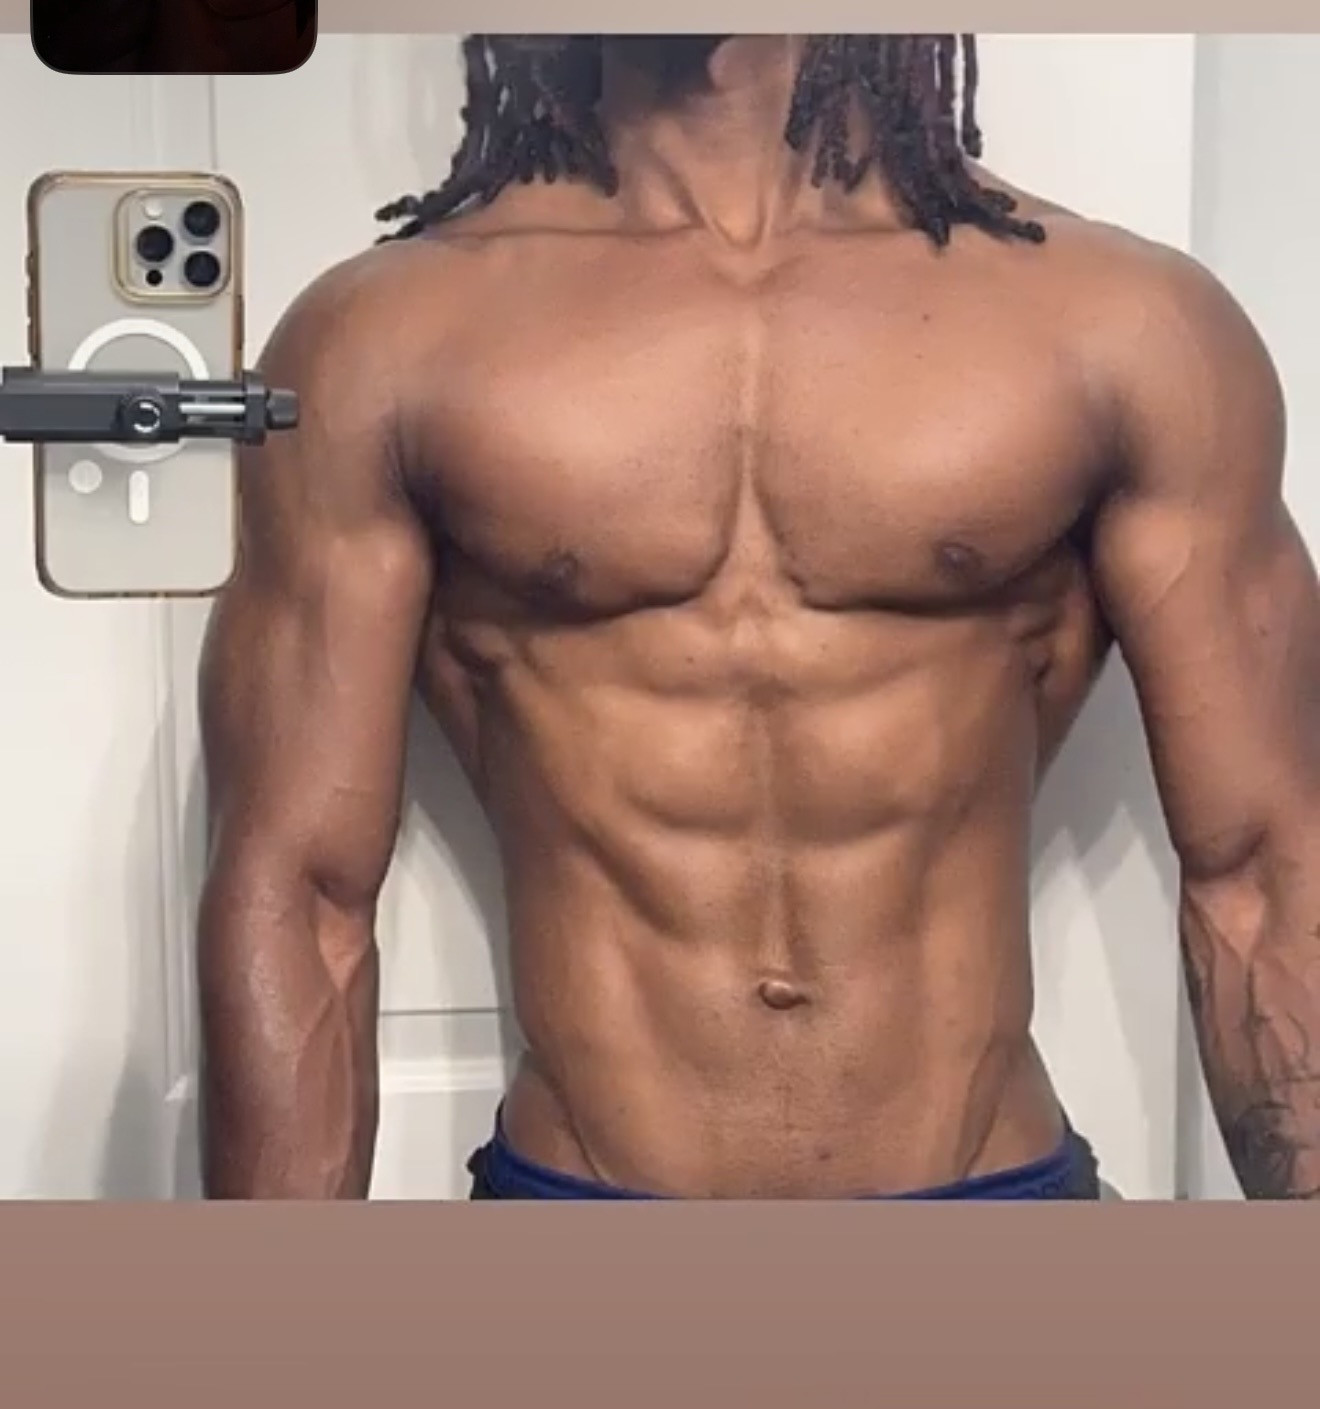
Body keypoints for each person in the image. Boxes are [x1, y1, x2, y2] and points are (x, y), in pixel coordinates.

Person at [197, 34, 1320, 1201]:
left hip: (992, 1195)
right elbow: (300, 894)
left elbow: (1267, 872)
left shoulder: (1122, 326)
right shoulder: (383, 342)